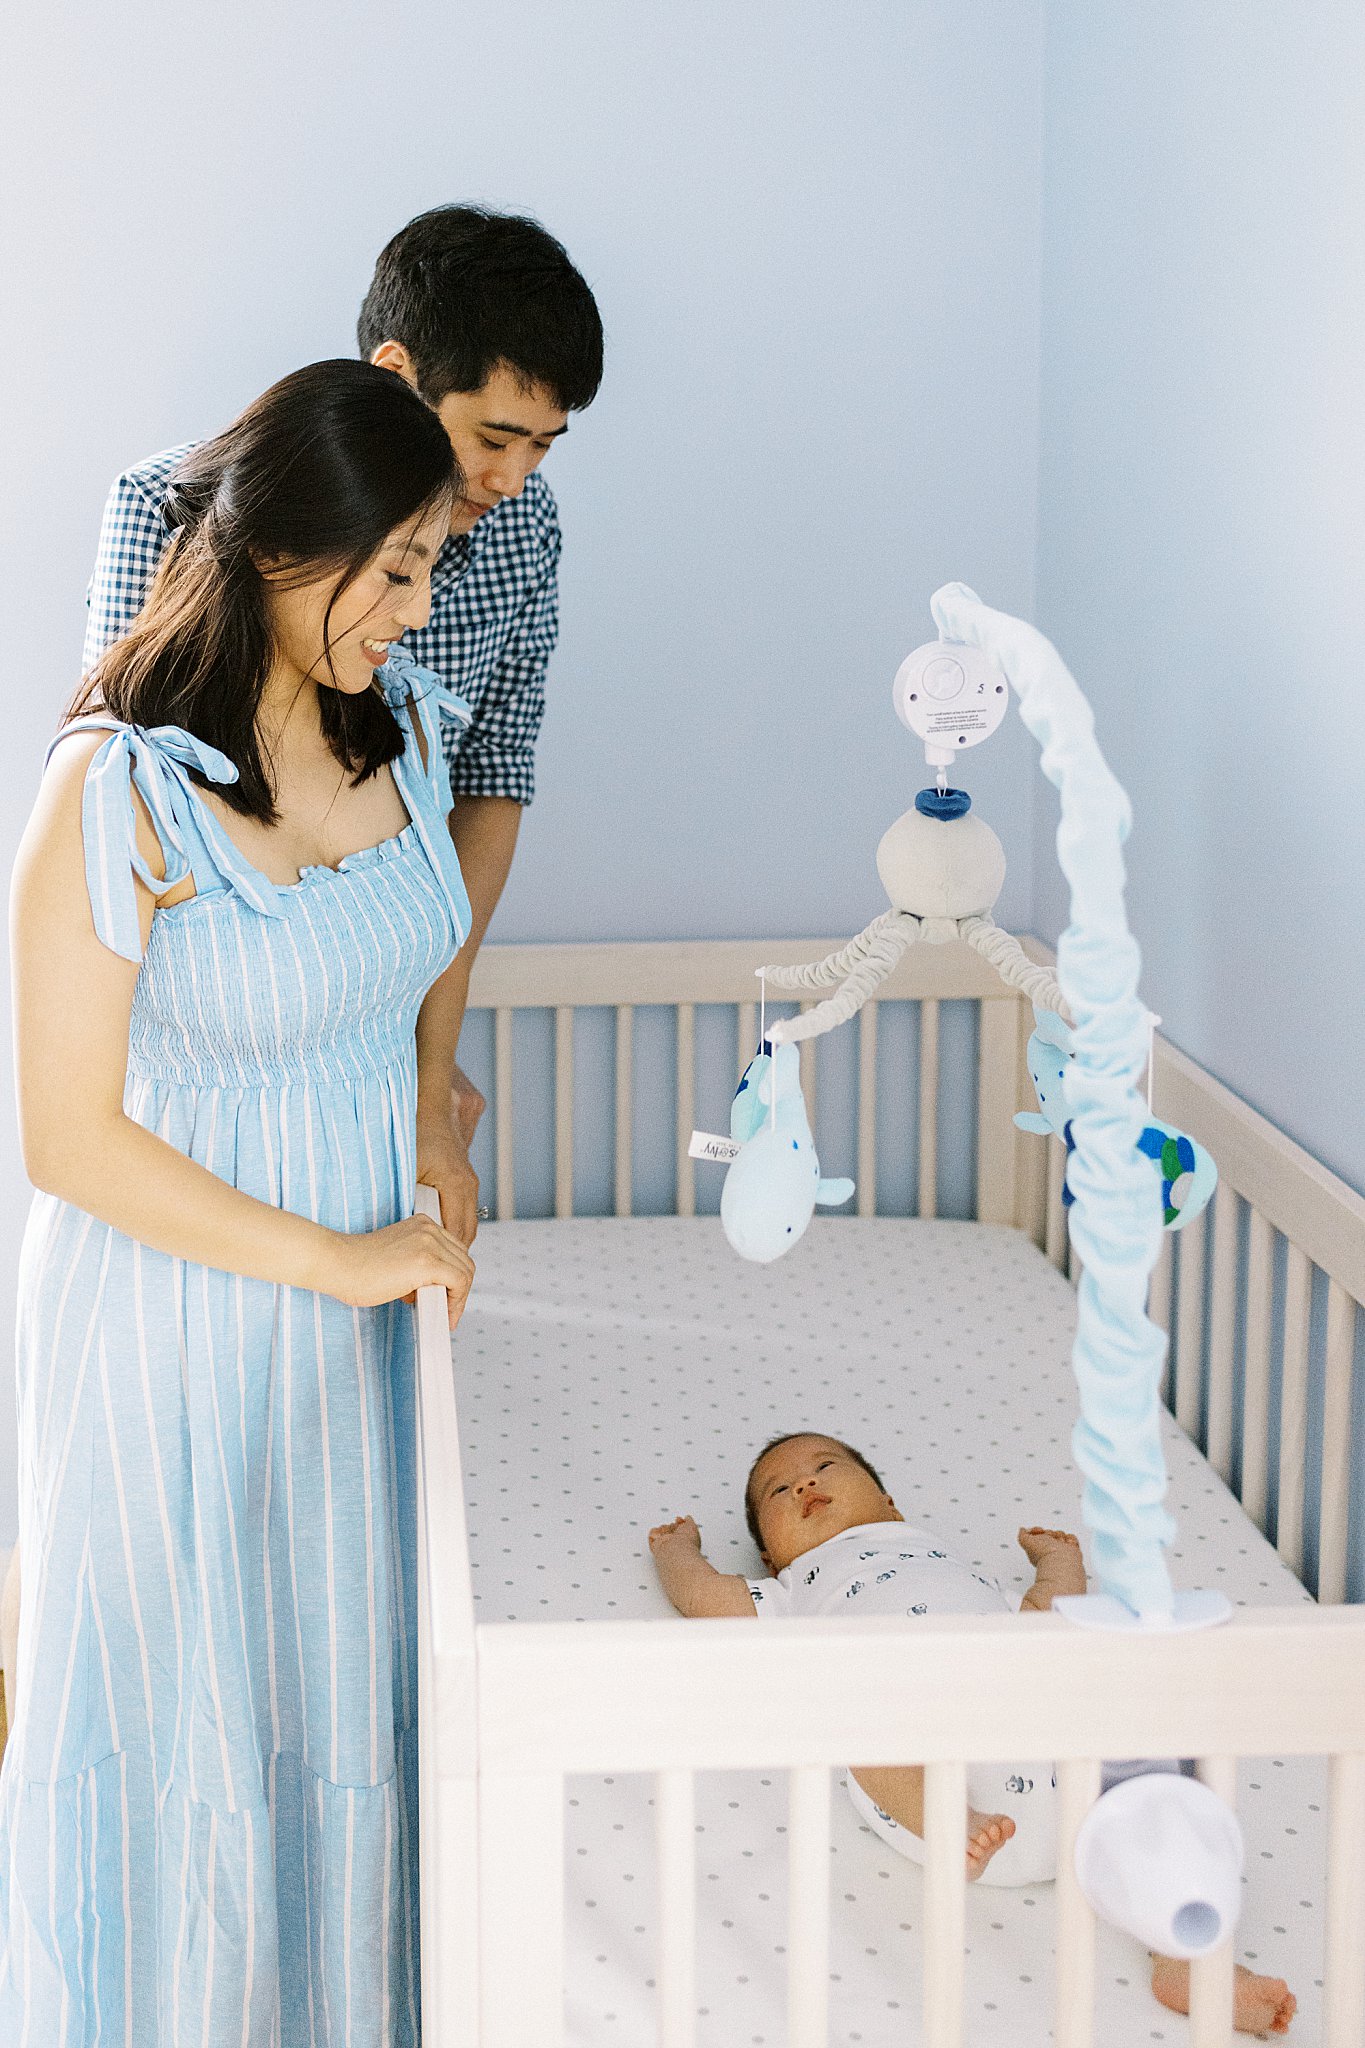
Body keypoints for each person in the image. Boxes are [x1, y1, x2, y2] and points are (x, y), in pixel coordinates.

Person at [0, 359, 481, 2045]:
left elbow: (414, 963)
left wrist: (429, 1119)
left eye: (432, 562)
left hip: (353, 1334)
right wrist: (336, 1256)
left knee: (336, 1705)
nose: (417, 604)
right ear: (286, 546)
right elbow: (68, 1140)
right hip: (177, 1326)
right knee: (186, 1728)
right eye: (398, 564)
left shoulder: (410, 724)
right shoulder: (117, 788)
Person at [82, 205, 605, 1245]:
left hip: (384, 991)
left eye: (543, 447)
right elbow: (129, 819)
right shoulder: (169, 510)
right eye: (494, 437)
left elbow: (486, 782)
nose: (511, 480)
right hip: (216, 1035)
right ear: (398, 370)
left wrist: (422, 1067)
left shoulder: (523, 528)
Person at [649, 1432, 1297, 2037]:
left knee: (1153, 1756)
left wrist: (1055, 1564)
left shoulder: (939, 1556)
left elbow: (1039, 1618)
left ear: (888, 1503)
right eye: (778, 1492)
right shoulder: (792, 1589)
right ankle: (944, 1813)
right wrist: (678, 1552)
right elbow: (703, 1597)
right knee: (865, 1735)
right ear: (768, 1551)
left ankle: (1184, 1954)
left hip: (1057, 1751)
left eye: (825, 1469)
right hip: (939, 1774)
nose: (804, 1487)